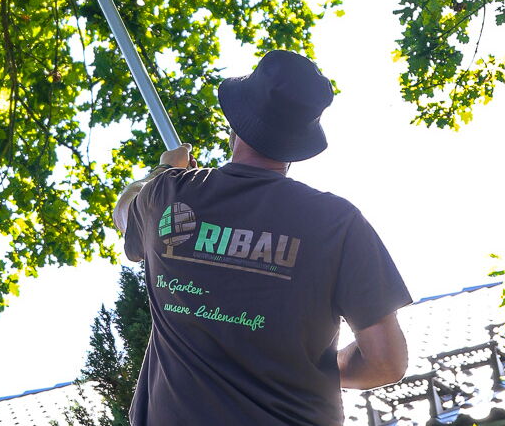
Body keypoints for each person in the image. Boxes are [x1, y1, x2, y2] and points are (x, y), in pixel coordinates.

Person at [114, 50, 411, 425]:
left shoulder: (166, 196)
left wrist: (164, 170)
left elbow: (124, 210)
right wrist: (311, 368)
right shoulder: (338, 223)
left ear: (234, 123)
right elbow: (386, 362)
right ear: (298, 143)